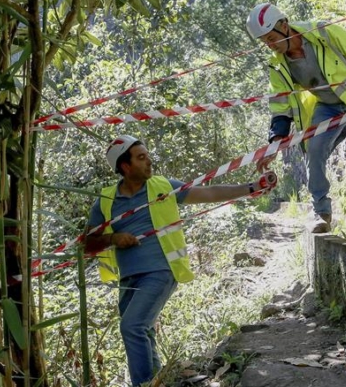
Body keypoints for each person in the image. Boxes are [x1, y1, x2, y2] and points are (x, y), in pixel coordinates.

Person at [84, 134, 275, 387]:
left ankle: (143, 385)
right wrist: (112, 238)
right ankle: (155, 381)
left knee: (132, 327)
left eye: (148, 155)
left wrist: (252, 187)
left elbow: (208, 193)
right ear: (125, 167)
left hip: (161, 270)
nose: (150, 161)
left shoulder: (163, 186)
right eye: (141, 158)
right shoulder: (106, 200)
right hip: (128, 279)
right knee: (143, 332)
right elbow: (87, 244)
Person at [247, 2, 346, 234]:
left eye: (271, 38)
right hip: (327, 106)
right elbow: (280, 104)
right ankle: (321, 212)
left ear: (284, 26)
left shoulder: (322, 32)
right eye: (264, 42)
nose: (269, 46)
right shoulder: (277, 65)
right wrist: (275, 142)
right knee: (314, 147)